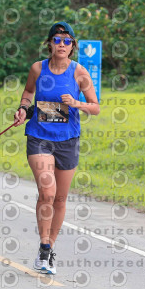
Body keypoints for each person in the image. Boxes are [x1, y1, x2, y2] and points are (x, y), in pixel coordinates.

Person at [13, 21, 100, 275]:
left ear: (72, 46)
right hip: (39, 137)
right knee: (48, 191)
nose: (61, 44)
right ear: (49, 43)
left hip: (68, 140)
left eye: (67, 40)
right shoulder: (38, 68)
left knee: (60, 198)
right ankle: (42, 246)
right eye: (57, 40)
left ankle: (50, 249)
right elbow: (28, 92)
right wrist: (22, 108)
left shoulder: (79, 73)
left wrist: (77, 103)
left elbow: (95, 106)